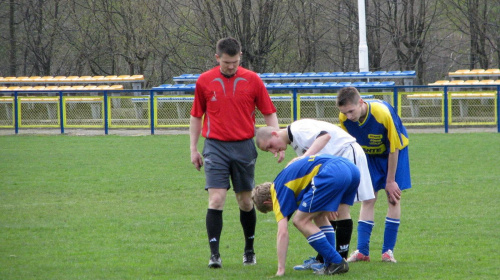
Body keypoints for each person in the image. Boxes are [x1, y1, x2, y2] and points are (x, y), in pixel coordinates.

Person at [189, 37, 282, 268]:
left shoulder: (253, 80)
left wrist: (278, 140)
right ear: (217, 57)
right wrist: (193, 148)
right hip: (215, 147)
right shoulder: (204, 81)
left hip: (243, 147)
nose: (231, 66)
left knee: (245, 202)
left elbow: (269, 112)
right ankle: (215, 255)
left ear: (241, 55)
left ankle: (249, 251)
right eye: (227, 62)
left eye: (236, 61)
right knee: (216, 199)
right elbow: (196, 116)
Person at [255, 119, 375, 269]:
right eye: (269, 151)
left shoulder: (298, 129)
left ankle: (337, 259)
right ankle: (326, 260)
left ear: (274, 133)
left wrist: (304, 157)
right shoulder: (294, 141)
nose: (274, 151)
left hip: (345, 154)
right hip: (337, 167)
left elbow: (325, 136)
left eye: (271, 146)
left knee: (336, 212)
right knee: (320, 214)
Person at [336, 86, 412, 263]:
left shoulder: (382, 113)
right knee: (368, 198)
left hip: (393, 153)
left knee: (393, 197)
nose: (348, 116)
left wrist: (390, 180)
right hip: (368, 154)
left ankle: (387, 252)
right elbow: (350, 148)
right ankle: (362, 251)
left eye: (351, 111)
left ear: (361, 102)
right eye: (344, 112)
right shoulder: (344, 119)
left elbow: (394, 148)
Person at [252, 154, 360, 276]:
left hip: (333, 172)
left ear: (268, 202)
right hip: (351, 168)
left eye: (272, 209)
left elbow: (282, 232)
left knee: (299, 221)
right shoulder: (287, 181)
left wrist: (280, 270)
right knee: (319, 216)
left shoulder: (277, 191)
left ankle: (336, 261)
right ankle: (329, 264)